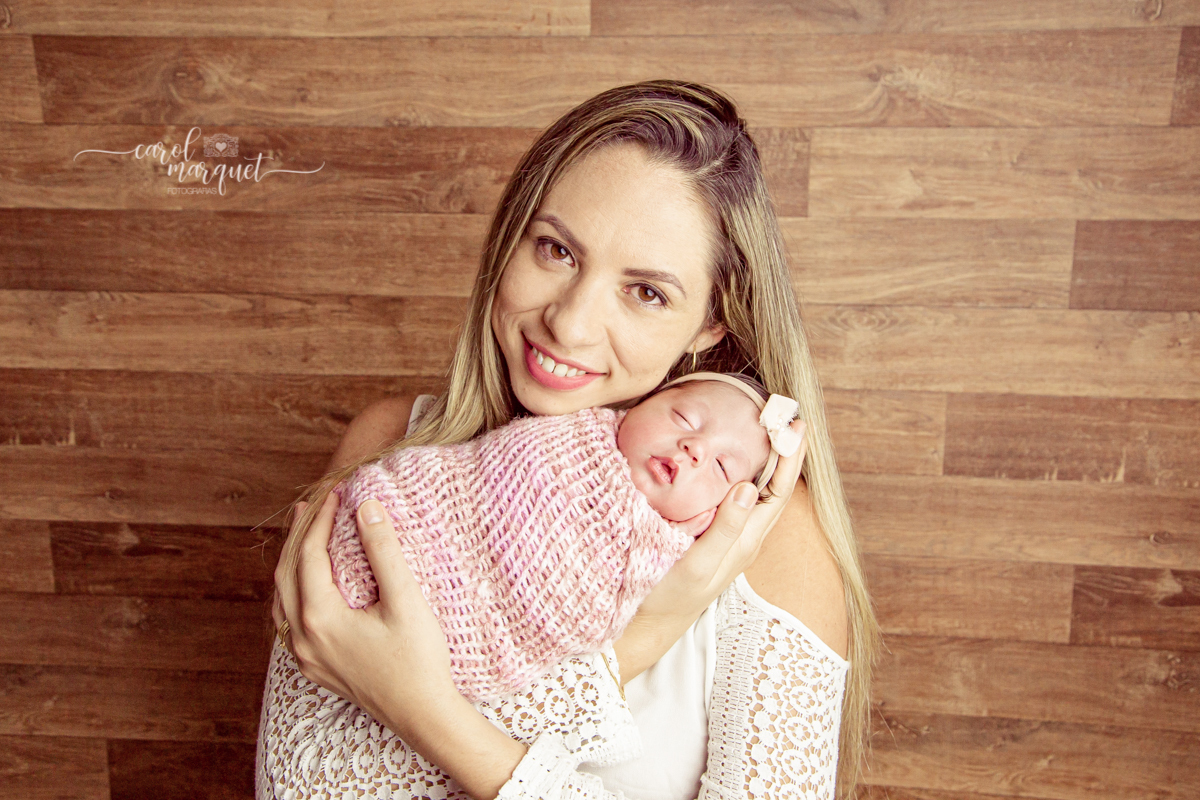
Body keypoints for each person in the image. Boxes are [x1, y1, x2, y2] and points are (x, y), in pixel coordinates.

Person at [267, 80, 879, 799]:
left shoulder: (771, 541)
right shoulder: (392, 446)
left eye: (646, 292)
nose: (571, 322)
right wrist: (630, 648)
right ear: (511, 237)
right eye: (556, 249)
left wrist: (425, 712)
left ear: (711, 324)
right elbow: (300, 781)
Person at [322, 375, 789, 705]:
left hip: (461, 638)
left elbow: (580, 618)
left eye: (722, 468)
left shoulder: (662, 558)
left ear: (717, 514)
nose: (695, 447)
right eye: (684, 417)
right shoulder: (569, 435)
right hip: (398, 516)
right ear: (639, 406)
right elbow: (480, 477)